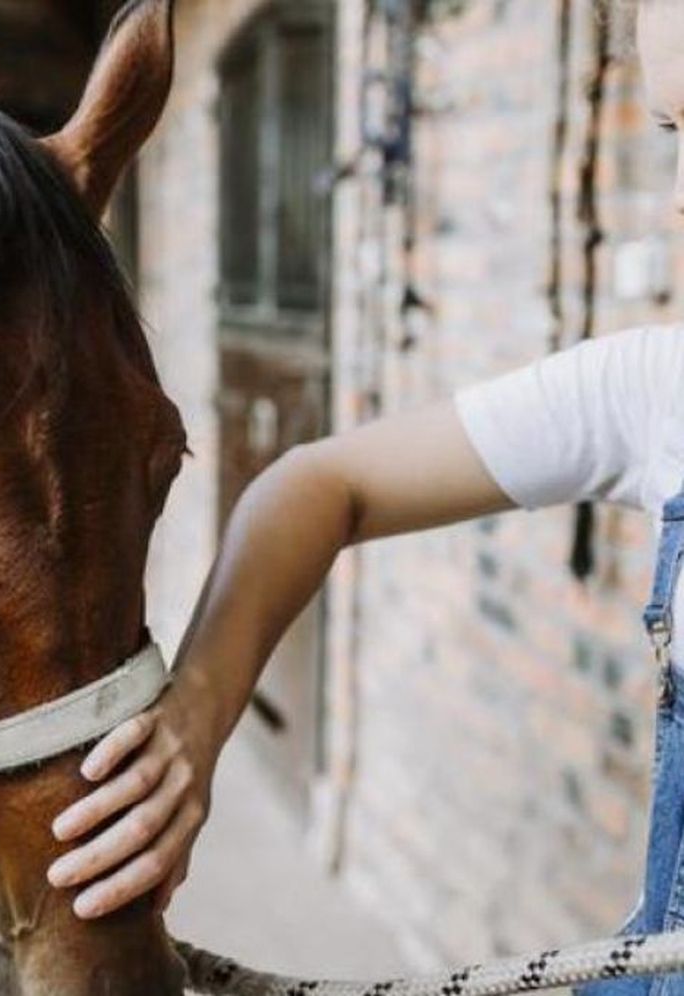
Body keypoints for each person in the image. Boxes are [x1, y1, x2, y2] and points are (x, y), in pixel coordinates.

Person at [52, 0, 684, 975]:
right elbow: (319, 484)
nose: (681, 199)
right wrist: (196, 717)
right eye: (675, 132)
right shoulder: (657, 390)